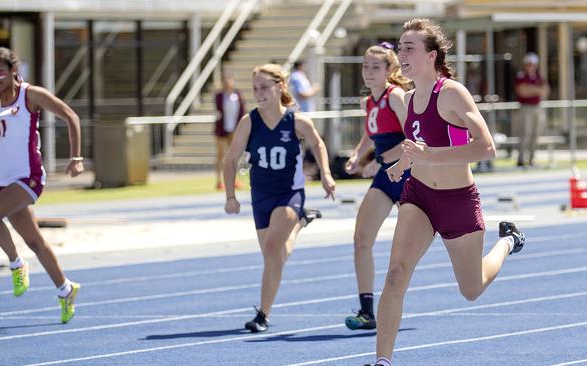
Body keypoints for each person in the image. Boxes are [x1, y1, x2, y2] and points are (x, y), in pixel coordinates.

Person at [366, 19, 526, 366]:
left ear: (431, 55)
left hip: (458, 201)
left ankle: (509, 241)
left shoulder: (451, 92)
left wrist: (430, 156)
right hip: (420, 196)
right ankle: (383, 361)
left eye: (410, 48)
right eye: (401, 46)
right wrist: (399, 167)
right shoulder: (408, 98)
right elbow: (416, 149)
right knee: (396, 273)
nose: (403, 54)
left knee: (471, 288)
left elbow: (485, 148)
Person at [0, 47, 83, 324]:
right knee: (34, 241)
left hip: (29, 178)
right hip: (2, 181)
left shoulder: (30, 95)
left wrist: (76, 157)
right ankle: (66, 289)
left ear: (13, 71)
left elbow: (71, 116)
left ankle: (16, 264)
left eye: (0, 71)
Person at [223, 63, 335, 332]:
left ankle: (263, 314)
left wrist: (326, 174)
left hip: (289, 192)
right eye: (255, 88)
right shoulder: (249, 122)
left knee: (273, 248)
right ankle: (300, 223)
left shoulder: (296, 121)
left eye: (265, 87)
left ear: (280, 87)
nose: (259, 93)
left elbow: (318, 143)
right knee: (275, 255)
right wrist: (230, 196)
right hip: (261, 195)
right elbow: (230, 160)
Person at [342, 42, 411, 331]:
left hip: (409, 174)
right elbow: (373, 133)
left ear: (390, 70)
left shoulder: (396, 96)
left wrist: (382, 158)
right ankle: (367, 311)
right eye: (365, 66)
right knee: (361, 238)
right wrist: (359, 154)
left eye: (375, 67)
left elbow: (414, 138)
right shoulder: (367, 102)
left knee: (439, 239)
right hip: (386, 176)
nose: (368, 72)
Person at [514, 52, 549, 167]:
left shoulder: (539, 77)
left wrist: (530, 89)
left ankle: (532, 159)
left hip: (537, 107)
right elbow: (521, 91)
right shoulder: (521, 76)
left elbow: (545, 91)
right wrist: (536, 90)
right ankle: (521, 159)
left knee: (536, 134)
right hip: (526, 108)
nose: (530, 66)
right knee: (525, 133)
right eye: (528, 64)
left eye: (532, 64)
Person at [289, 60, 322, 179]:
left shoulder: (299, 77)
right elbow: (302, 94)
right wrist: (315, 90)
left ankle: (302, 170)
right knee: (302, 143)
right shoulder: (297, 77)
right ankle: (299, 171)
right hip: (300, 114)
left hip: (304, 115)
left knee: (308, 143)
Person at [214, 72, 246, 190]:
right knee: (221, 156)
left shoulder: (238, 94)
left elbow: (242, 110)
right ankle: (219, 180)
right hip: (222, 129)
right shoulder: (219, 96)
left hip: (234, 128)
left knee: (233, 156)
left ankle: (234, 180)